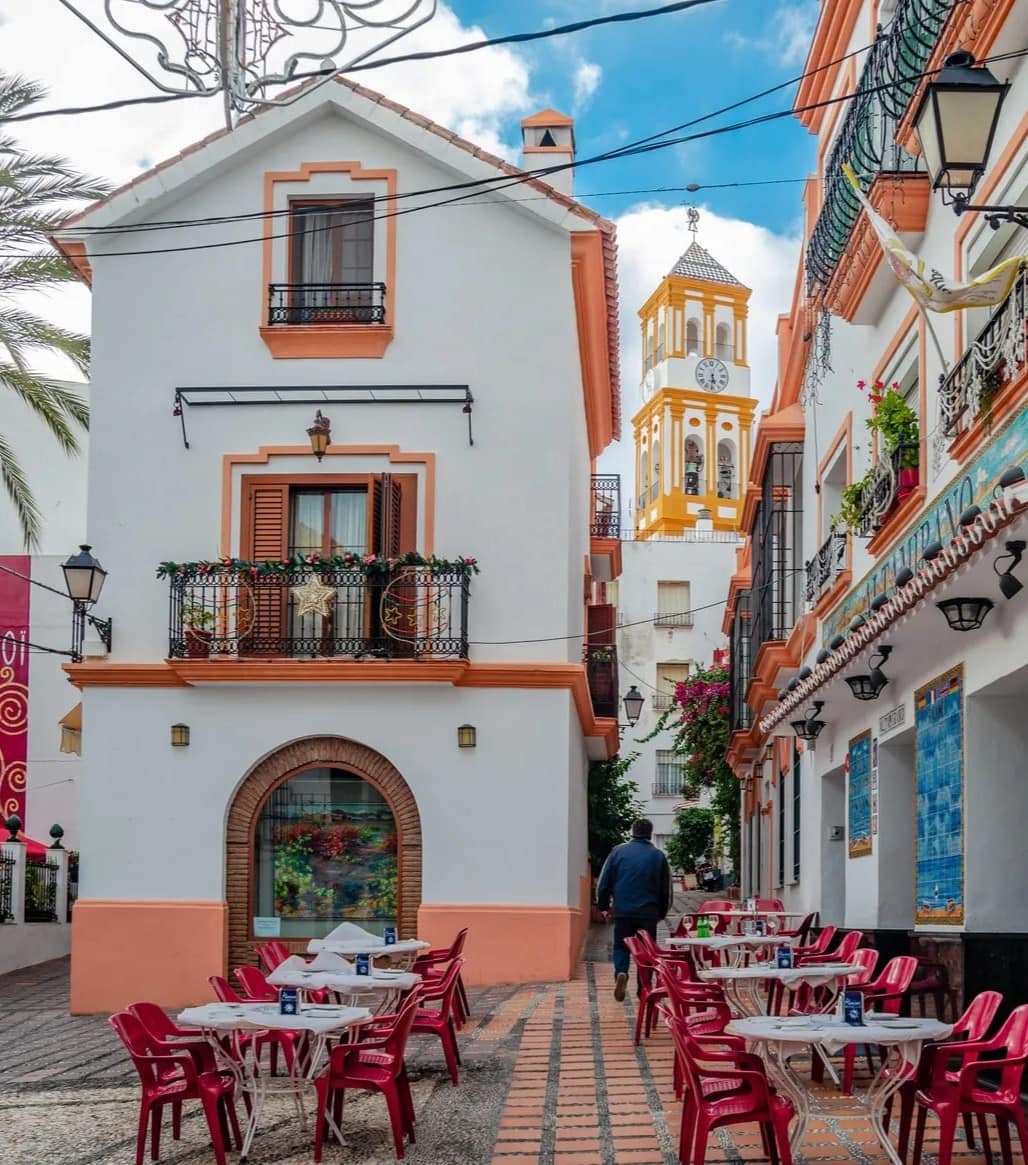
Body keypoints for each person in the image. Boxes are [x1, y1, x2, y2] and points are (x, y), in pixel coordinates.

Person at [595, 818, 673, 1001]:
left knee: (621, 946)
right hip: (648, 912)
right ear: (650, 833)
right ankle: (644, 988)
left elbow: (604, 882)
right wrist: (661, 913)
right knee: (646, 951)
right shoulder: (658, 856)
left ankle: (621, 973)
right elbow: (665, 889)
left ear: (633, 831)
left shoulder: (617, 853)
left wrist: (604, 907)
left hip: (623, 910)